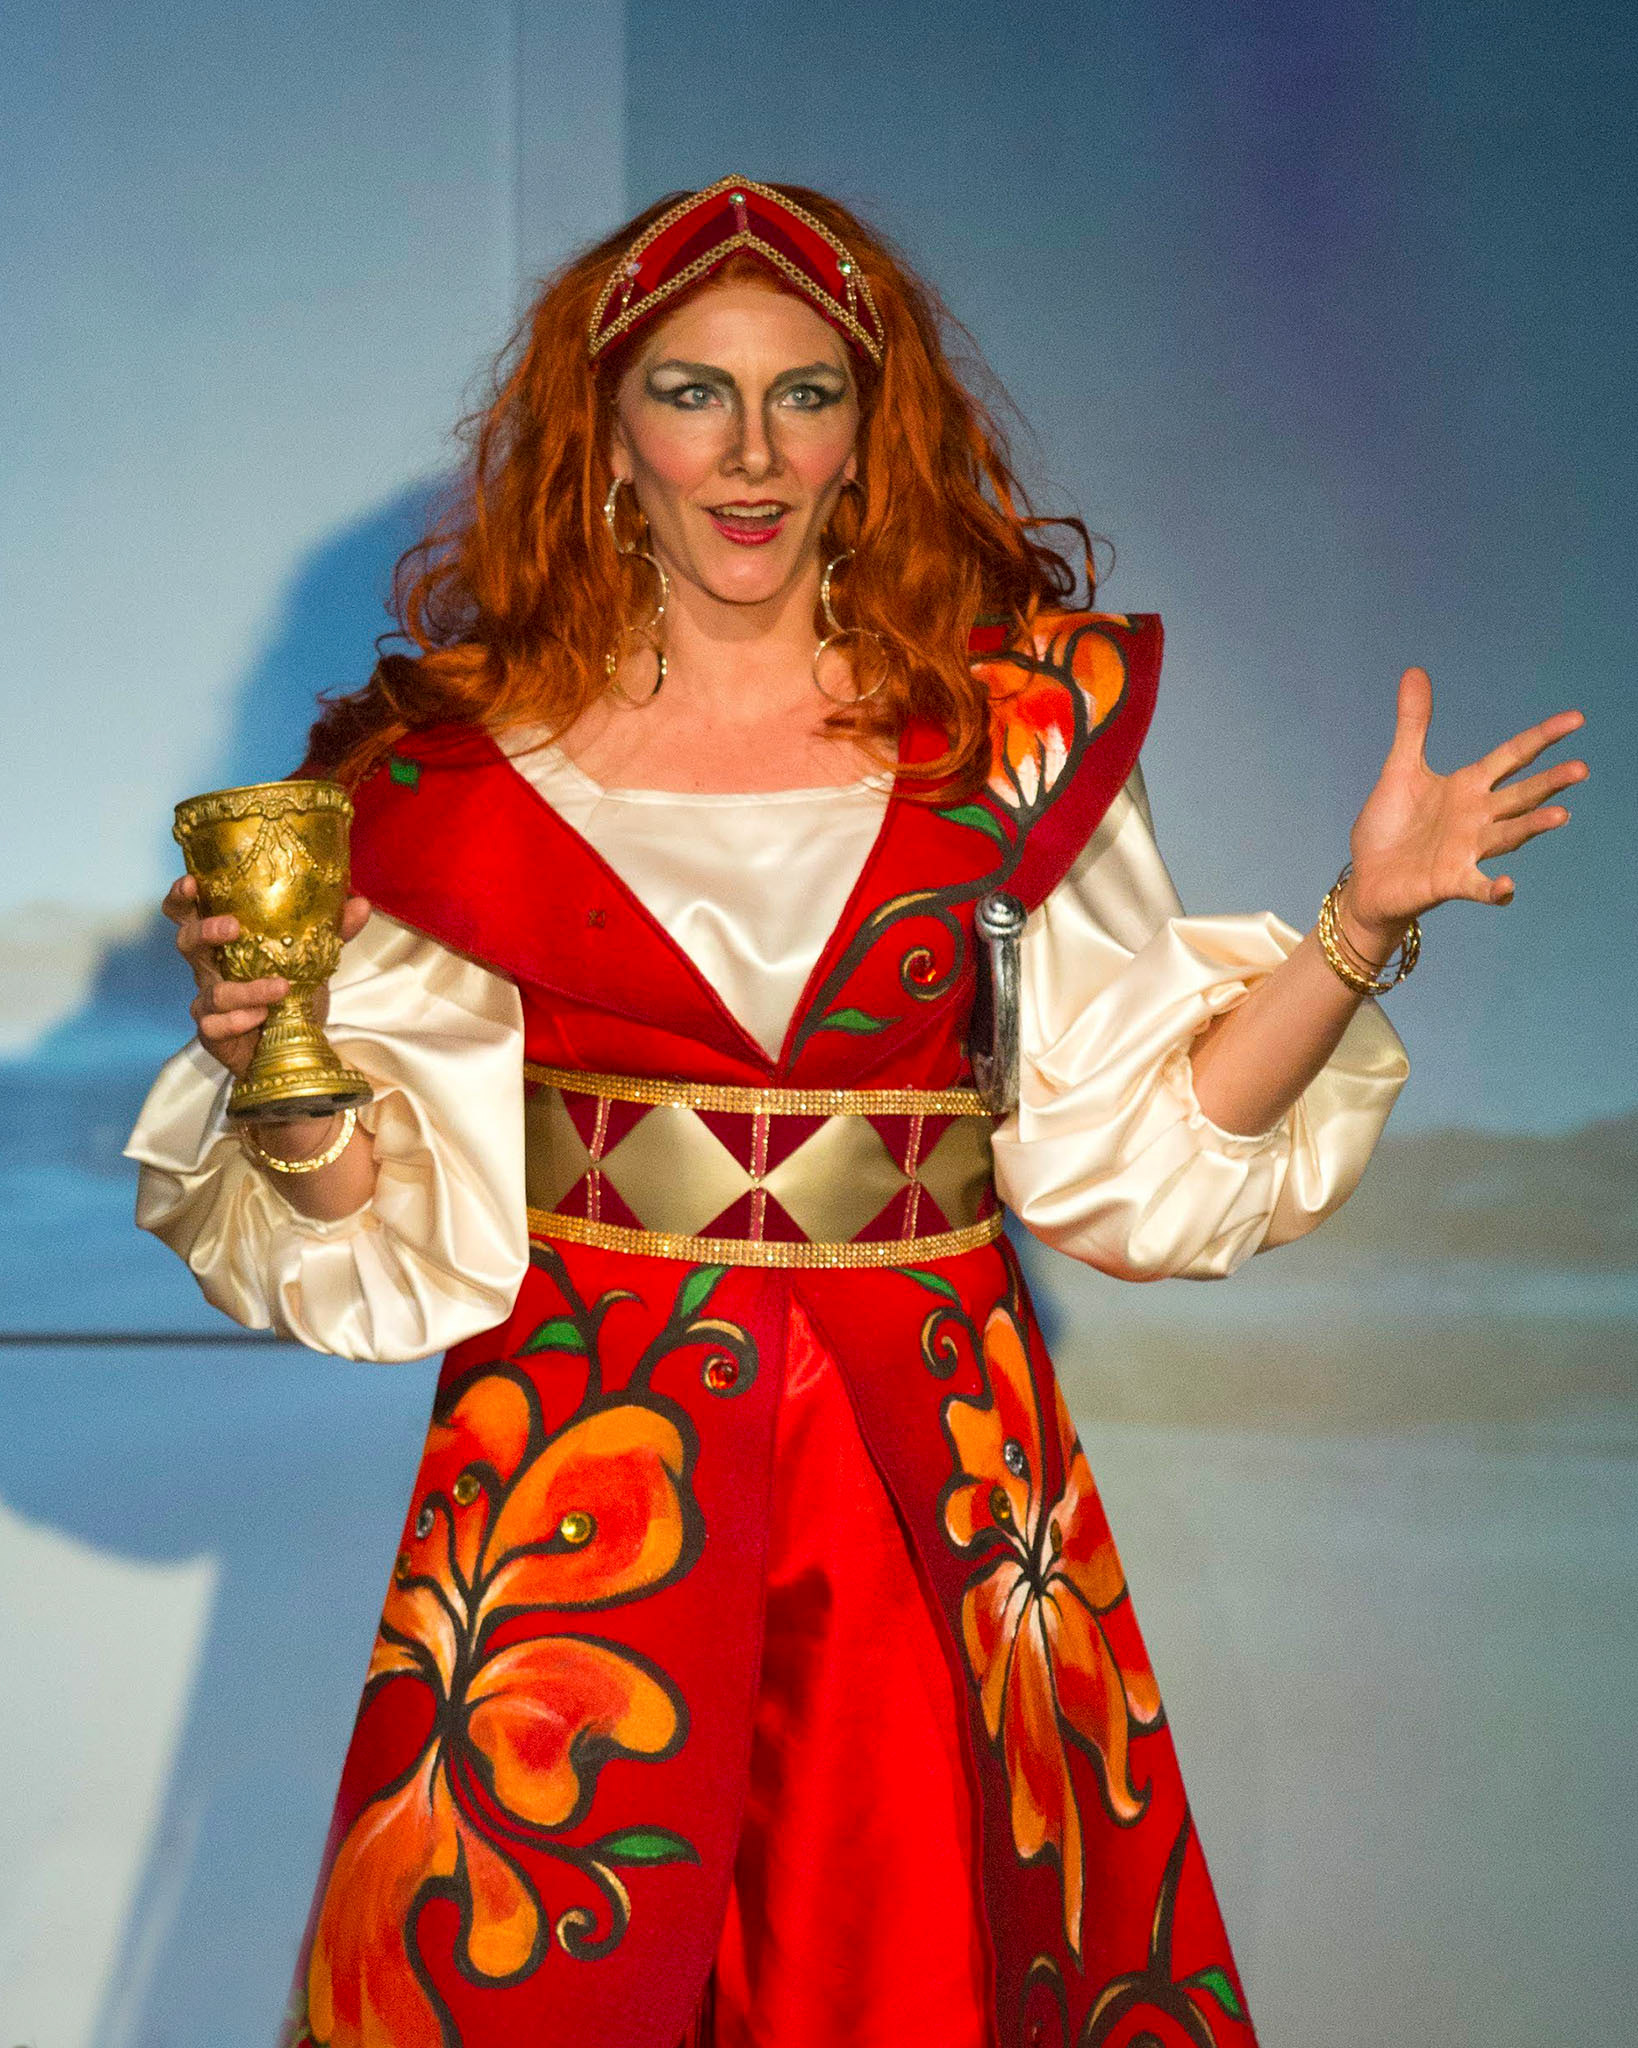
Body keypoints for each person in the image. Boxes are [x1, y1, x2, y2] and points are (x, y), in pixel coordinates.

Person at [125, 177, 1585, 2048]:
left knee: (914, 1965)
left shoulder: (1011, 739)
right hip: (579, 1484)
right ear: (606, 439)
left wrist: (1357, 929)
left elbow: (1129, 1155)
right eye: (693, 393)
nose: (750, 451)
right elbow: (378, 1248)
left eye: (802, 394)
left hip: (928, 1472)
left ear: (865, 433)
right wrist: (280, 1074)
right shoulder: (452, 781)